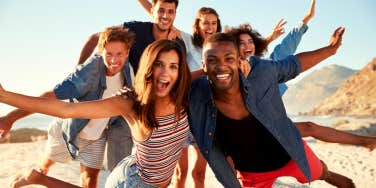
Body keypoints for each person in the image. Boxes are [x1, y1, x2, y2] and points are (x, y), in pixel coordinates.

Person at [2, 39, 191, 188]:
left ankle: (36, 176)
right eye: (160, 64)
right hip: (132, 183)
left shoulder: (182, 94)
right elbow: (66, 110)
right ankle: (38, 178)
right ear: (149, 67)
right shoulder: (131, 103)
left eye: (173, 66)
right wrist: (5, 97)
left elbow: (204, 75)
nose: (166, 72)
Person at [188, 30, 357, 188]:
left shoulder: (260, 73)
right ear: (203, 64)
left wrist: (331, 50)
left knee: (320, 172)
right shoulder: (197, 96)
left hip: (289, 156)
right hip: (252, 173)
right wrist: (208, 71)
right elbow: (174, 81)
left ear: (239, 61)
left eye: (229, 59)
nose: (221, 65)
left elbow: (293, 65)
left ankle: (326, 174)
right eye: (212, 60)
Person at [3, 26, 136, 188]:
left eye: (119, 54)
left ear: (127, 52)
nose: (114, 60)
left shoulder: (129, 70)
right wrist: (11, 117)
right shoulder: (88, 73)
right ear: (101, 52)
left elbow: (94, 36)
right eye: (109, 54)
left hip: (97, 136)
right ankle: (32, 176)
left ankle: (37, 176)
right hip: (71, 130)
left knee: (89, 182)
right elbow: (50, 96)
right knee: (45, 165)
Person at [77, 0, 185, 73]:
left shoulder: (178, 44)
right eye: (161, 10)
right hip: (128, 89)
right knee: (104, 54)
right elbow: (96, 37)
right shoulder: (135, 30)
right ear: (152, 11)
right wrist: (79, 68)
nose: (165, 16)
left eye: (170, 12)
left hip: (158, 96)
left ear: (175, 14)